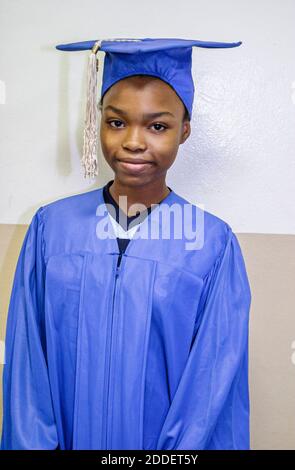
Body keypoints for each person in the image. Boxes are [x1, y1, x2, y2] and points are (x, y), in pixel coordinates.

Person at [1, 38, 251, 450]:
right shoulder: (52, 228)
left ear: (184, 131)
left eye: (158, 126)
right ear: (97, 123)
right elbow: (28, 364)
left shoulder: (211, 243)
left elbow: (211, 384)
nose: (134, 141)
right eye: (117, 122)